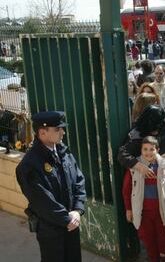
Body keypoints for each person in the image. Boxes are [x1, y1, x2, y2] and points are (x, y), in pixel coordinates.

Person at [16, 111, 86, 262]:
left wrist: (77, 210)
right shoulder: (29, 165)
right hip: (51, 231)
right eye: (58, 129)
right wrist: (67, 218)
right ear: (42, 132)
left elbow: (79, 180)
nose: (63, 132)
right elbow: (41, 200)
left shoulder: (63, 152)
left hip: (71, 224)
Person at [122, 136, 165, 262]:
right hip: (143, 212)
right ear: (141, 151)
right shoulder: (135, 166)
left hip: (161, 210)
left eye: (151, 149)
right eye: (145, 149)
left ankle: (163, 257)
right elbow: (127, 190)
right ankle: (153, 258)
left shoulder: (164, 166)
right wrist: (128, 209)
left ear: (157, 150)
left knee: (163, 237)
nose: (148, 152)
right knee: (147, 238)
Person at [118, 105, 165, 174]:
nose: (156, 132)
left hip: (164, 178)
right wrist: (139, 166)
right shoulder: (137, 134)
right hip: (142, 179)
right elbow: (122, 154)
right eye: (154, 128)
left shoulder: (164, 130)